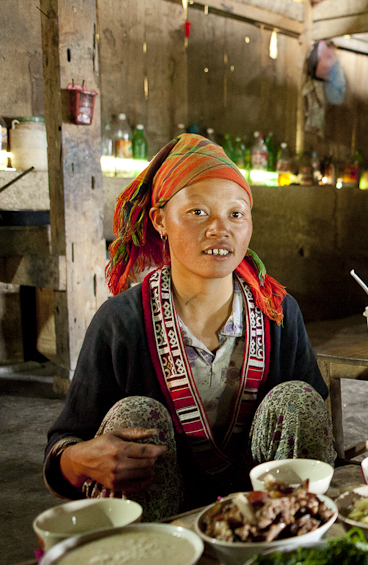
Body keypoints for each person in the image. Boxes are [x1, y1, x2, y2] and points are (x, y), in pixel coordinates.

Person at [43, 134, 332, 521]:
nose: (219, 229)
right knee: (136, 415)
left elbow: (311, 427)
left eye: (236, 214)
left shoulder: (278, 313)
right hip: (158, 515)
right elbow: (65, 445)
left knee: (297, 399)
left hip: (265, 514)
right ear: (159, 219)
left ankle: (292, 547)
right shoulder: (120, 322)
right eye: (198, 212)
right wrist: (81, 460)